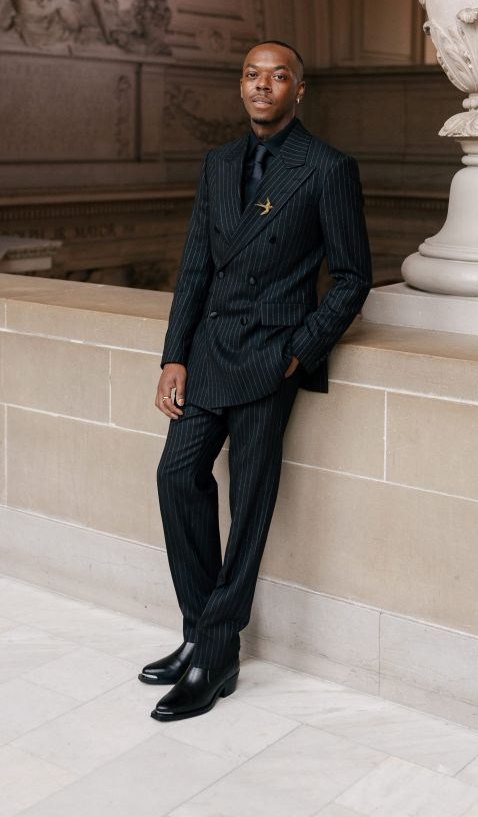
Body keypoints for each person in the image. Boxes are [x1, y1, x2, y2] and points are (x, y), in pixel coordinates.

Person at [139, 40, 372, 722]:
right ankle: (197, 632)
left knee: (250, 505)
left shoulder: (326, 168)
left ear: (300, 90)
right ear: (240, 87)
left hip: (271, 358)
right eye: (251, 75)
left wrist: (300, 350)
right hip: (210, 351)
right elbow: (194, 269)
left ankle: (216, 653)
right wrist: (172, 356)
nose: (261, 85)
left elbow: (353, 277)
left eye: (277, 76)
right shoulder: (218, 165)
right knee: (176, 475)